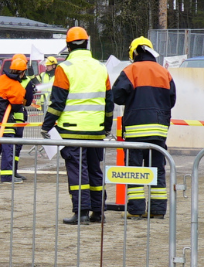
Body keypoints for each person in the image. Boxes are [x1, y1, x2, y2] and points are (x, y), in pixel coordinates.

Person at [40, 26, 113, 225]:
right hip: (96, 131)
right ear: (87, 43)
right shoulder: (100, 67)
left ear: (68, 46)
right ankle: (98, 212)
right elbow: (108, 101)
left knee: (77, 172)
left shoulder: (65, 67)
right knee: (94, 171)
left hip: (72, 131)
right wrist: (107, 127)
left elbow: (57, 102)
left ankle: (81, 212)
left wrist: (46, 126)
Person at [111, 37, 175, 219]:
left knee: (135, 170)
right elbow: (172, 100)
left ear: (135, 52)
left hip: (136, 130)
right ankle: (157, 210)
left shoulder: (130, 70)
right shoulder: (164, 72)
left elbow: (117, 96)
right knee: (157, 169)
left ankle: (137, 210)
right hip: (159, 131)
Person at [0, 54, 32, 183]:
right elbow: (17, 106)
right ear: (23, 72)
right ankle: (7, 176)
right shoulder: (17, 87)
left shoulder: (1, 79)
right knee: (8, 147)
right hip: (4, 120)